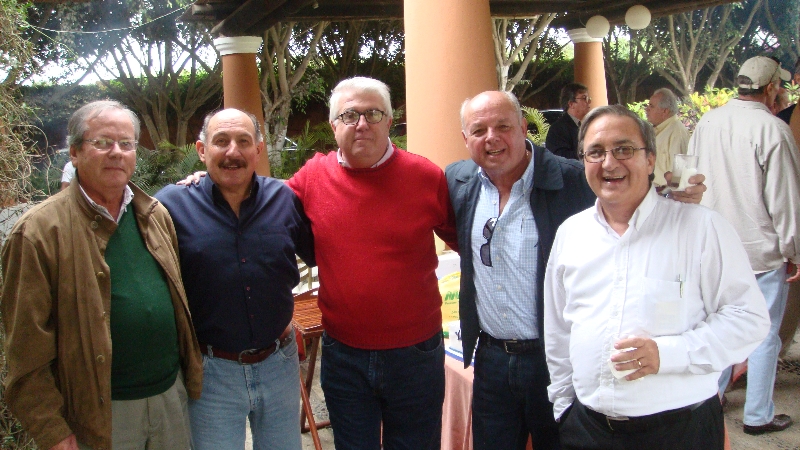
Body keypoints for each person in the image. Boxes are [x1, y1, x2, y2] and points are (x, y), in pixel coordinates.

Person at [445, 91, 706, 450]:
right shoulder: (459, 181)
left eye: (503, 126)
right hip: (491, 360)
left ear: (523, 128)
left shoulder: (574, 181)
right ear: (465, 139)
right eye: (479, 130)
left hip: (554, 359)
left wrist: (674, 199)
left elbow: (629, 201)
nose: (491, 138)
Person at [544, 105, 771, 450]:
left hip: (680, 432)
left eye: (624, 149)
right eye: (596, 152)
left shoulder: (701, 228)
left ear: (650, 160)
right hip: (588, 430)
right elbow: (559, 328)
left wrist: (668, 354)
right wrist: (564, 406)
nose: (609, 163)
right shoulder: (571, 234)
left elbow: (749, 319)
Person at [1, 100, 202, 450]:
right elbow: (25, 350)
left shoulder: (154, 215)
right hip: (99, 415)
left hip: (170, 397)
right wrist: (53, 431)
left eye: (126, 143)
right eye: (102, 142)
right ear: (75, 152)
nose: (116, 153)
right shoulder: (38, 233)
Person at [285, 77, 459, 449]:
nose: (362, 124)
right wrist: (207, 184)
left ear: (389, 121)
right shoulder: (313, 177)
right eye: (350, 115)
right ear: (334, 126)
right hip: (344, 353)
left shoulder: (426, 177)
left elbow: (469, 241)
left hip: (415, 354)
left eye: (373, 114)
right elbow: (260, 204)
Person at [156, 108, 314, 450]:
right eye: (221, 141)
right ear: (202, 150)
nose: (233, 151)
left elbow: (326, 253)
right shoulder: (171, 205)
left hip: (279, 363)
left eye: (243, 141)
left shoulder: (284, 199)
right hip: (211, 372)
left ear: (258, 149)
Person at [689, 55, 800, 435]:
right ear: (771, 87)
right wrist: (794, 251)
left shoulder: (707, 121)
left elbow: (691, 179)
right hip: (760, 251)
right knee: (764, 334)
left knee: (719, 326)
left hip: (715, 247)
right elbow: (784, 200)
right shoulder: (773, 130)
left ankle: (713, 397)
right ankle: (757, 415)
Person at [644, 88, 690, 187]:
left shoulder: (677, 132)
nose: (647, 109)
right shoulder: (655, 130)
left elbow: (678, 175)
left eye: (651, 106)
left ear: (664, 111)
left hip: (665, 193)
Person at [545, 83, 591, 160]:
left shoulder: (586, 125)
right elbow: (560, 158)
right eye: (584, 98)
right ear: (571, 104)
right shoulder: (558, 129)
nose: (589, 102)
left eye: (589, 98)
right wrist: (589, 153)